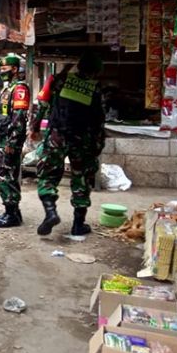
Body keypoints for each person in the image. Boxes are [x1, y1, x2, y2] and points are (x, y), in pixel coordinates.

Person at [29, 52, 106, 236]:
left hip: (57, 136)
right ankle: (78, 225)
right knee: (81, 180)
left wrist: (35, 126)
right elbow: (99, 121)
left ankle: (50, 212)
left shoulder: (62, 81)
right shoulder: (95, 88)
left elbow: (43, 104)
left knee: (47, 176)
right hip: (82, 141)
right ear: (96, 72)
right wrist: (98, 144)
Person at [0, 54, 31, 229]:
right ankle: (10, 211)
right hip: (3, 139)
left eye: (4, 69)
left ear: (14, 69)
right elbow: (1, 115)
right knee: (5, 175)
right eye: (0, 69)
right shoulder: (8, 89)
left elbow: (19, 119)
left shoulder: (20, 89)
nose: (1, 72)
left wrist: (12, 143)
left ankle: (12, 214)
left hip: (9, 141)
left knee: (7, 176)